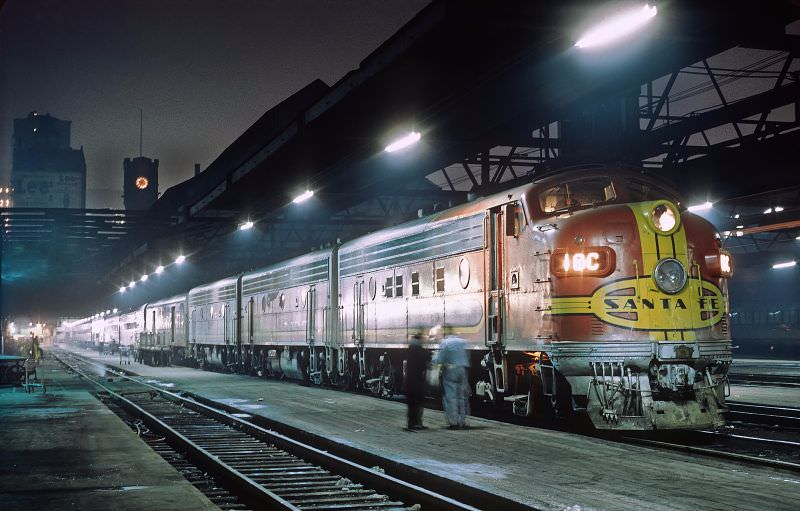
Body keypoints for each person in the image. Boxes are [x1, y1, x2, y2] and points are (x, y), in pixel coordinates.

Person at [431, 325, 470, 429]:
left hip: (451, 371)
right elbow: (468, 356)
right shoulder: (462, 342)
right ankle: (463, 421)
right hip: (462, 370)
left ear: (445, 332)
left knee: (451, 397)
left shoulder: (445, 343)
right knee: (462, 397)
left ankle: (454, 423)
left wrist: (434, 357)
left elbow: (440, 359)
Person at [405, 333, 428, 430]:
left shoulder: (409, 349)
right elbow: (423, 365)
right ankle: (418, 423)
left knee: (411, 404)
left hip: (409, 381)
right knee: (418, 403)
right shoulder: (420, 350)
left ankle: (411, 423)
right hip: (418, 381)